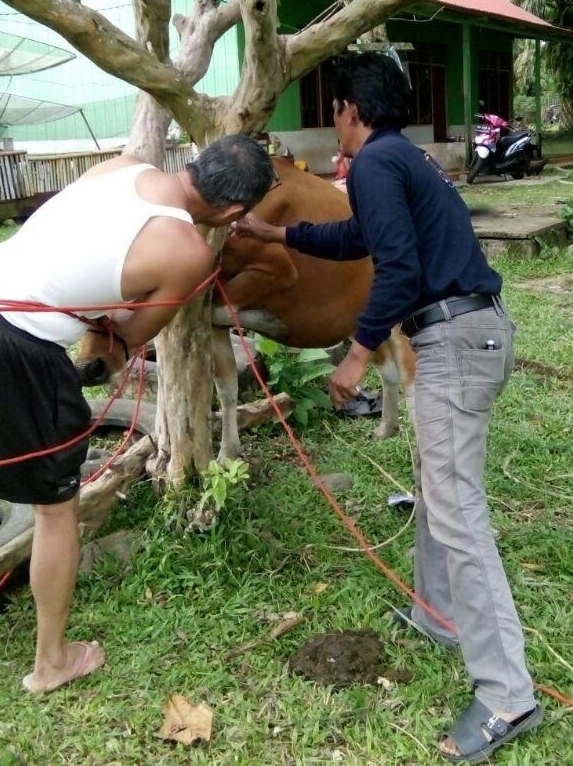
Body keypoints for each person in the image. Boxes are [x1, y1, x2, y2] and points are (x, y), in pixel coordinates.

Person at [231, 53, 541, 763]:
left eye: (335, 111)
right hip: (468, 333)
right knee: (439, 488)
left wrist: (357, 352)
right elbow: (359, 239)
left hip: (457, 341)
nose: (333, 123)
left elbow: (396, 267)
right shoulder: (402, 159)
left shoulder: (372, 164)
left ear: (352, 111)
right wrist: (278, 235)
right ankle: (440, 615)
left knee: (458, 510)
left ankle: (506, 695)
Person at [0, 136, 274, 694]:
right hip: (16, 343)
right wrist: (106, 341)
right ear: (234, 213)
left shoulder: (124, 164)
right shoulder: (189, 252)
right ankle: (51, 662)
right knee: (55, 511)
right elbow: (127, 338)